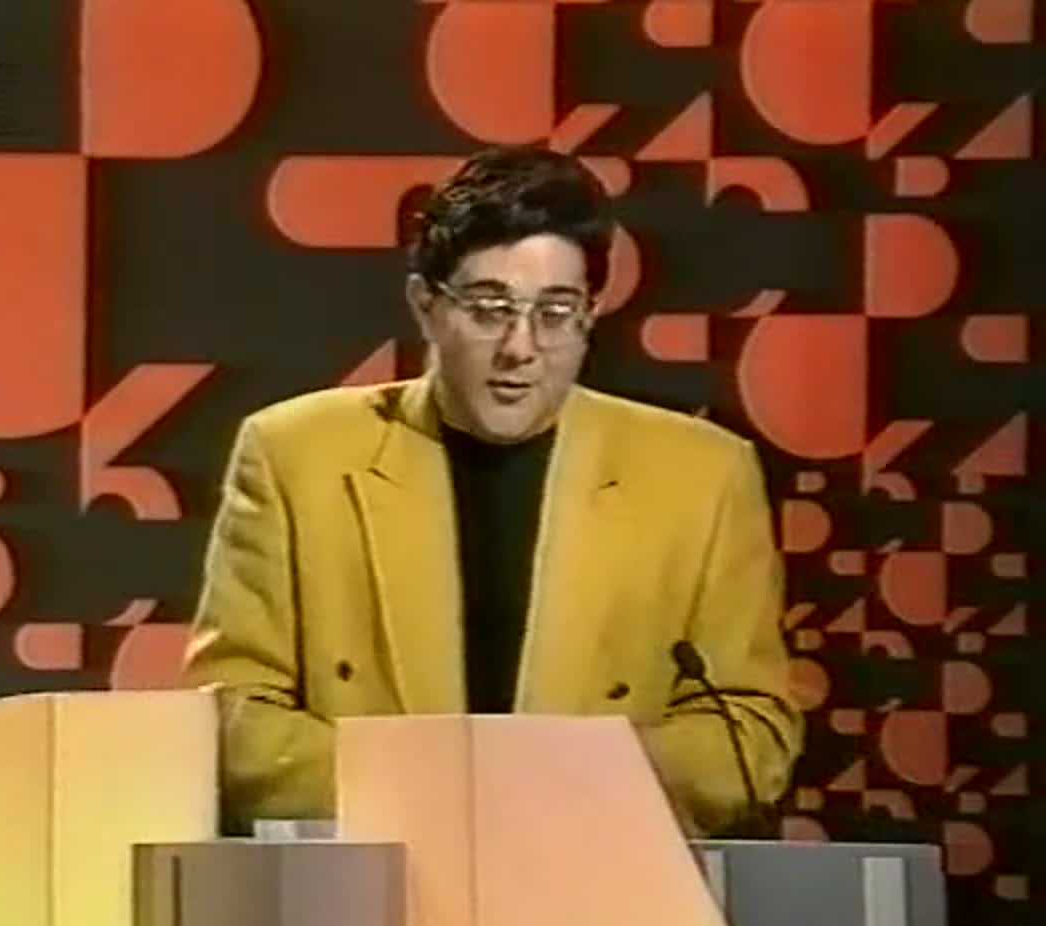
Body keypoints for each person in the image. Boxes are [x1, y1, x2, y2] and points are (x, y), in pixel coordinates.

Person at [184, 146, 802, 837]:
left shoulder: (702, 474)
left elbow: (749, 731)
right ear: (426, 305)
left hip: (598, 870)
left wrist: (557, 786)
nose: (519, 347)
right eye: (488, 309)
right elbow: (233, 715)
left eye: (554, 312)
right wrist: (441, 793)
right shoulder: (295, 455)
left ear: (590, 314)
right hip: (375, 873)